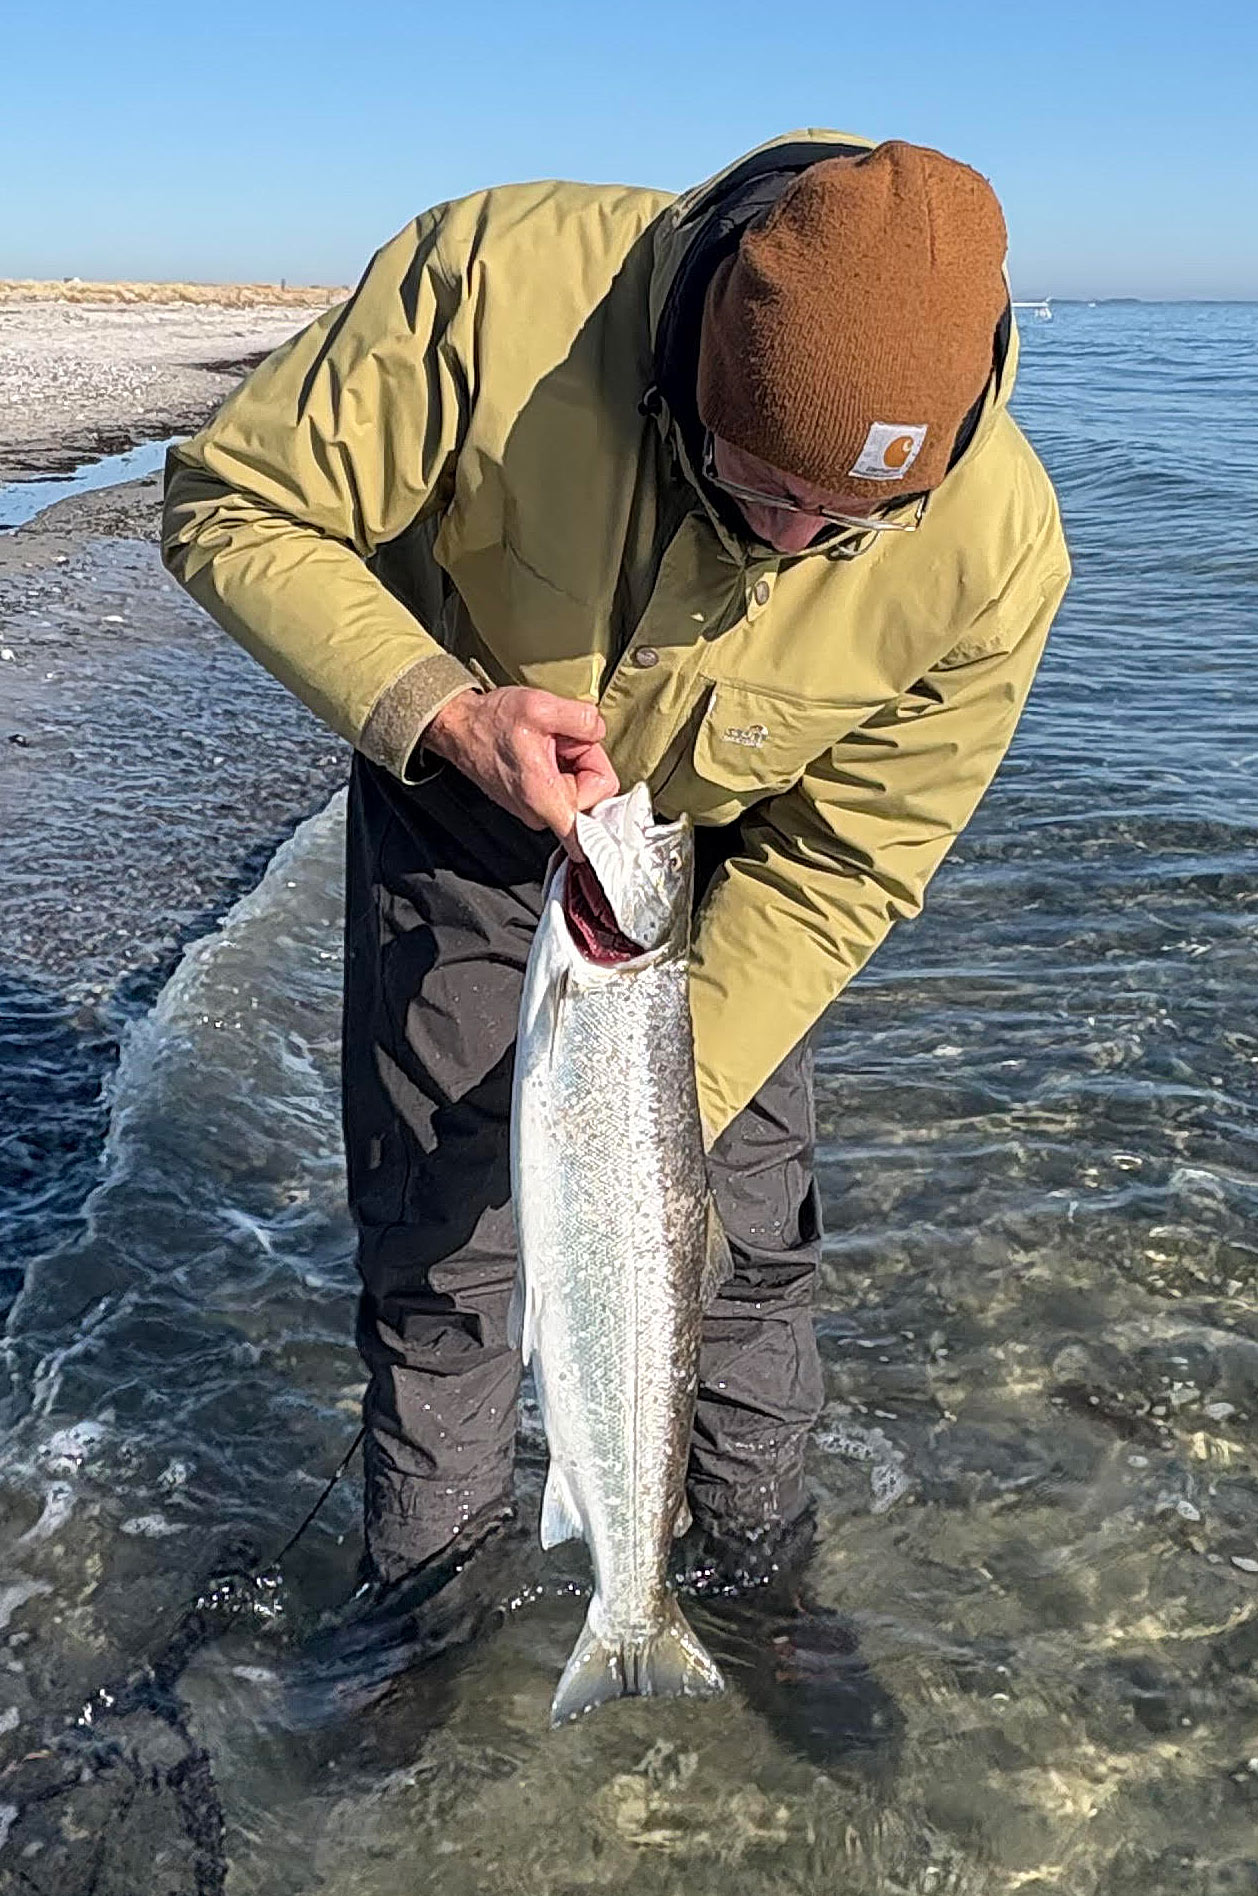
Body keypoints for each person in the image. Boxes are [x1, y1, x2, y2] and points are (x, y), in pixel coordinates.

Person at [162, 133, 1070, 1621]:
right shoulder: (493, 288)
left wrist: (643, 1116)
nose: (792, 538)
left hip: (697, 881)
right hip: (457, 794)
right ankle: (428, 1607)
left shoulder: (995, 548)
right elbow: (231, 503)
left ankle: (751, 1590)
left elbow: (849, 856)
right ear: (697, 351)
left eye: (843, 525)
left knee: (737, 1249)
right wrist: (448, 714)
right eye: (760, 487)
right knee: (448, 1251)